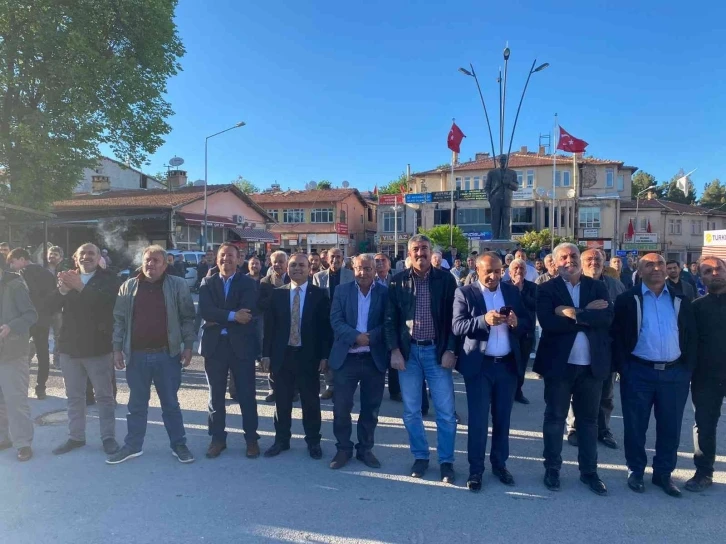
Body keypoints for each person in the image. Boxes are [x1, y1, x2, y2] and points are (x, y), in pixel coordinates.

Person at [612, 253, 696, 497]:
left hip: (674, 374)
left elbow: (691, 335)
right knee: (635, 426)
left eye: (660, 263)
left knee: (670, 427)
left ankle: (663, 474)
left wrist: (686, 369)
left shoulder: (681, 299)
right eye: (649, 265)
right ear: (639, 271)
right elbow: (617, 336)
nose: (657, 268)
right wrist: (624, 368)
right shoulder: (627, 299)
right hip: (639, 372)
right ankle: (635, 471)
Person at [534, 243, 613, 495]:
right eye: (564, 257)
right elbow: (549, 323)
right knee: (555, 419)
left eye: (574, 255)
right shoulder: (546, 289)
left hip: (591, 367)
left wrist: (571, 313)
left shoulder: (597, 286)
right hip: (559, 366)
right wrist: (587, 314)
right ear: (555, 262)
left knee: (589, 422)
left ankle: (589, 472)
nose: (570, 260)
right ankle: (552, 469)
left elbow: (606, 319)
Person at [107, 245, 197, 465]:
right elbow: (119, 320)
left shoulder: (178, 285)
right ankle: (133, 446)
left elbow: (187, 317)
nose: (151, 264)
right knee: (136, 405)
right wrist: (117, 348)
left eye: (156, 260)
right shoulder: (128, 286)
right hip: (137, 356)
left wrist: (188, 346)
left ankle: (179, 445)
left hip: (167, 355)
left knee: (170, 404)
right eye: (148, 259)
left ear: (165, 264)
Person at [384, 234, 458, 483]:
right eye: (415, 249)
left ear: (431, 252)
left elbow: (454, 320)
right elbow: (390, 319)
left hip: (437, 352)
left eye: (424, 248)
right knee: (411, 412)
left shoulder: (446, 280)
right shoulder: (398, 281)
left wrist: (451, 350)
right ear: (409, 253)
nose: (420, 253)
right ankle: (421, 456)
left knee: (445, 413)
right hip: (409, 354)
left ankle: (446, 461)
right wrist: (394, 350)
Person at [453, 253, 529, 492]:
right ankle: (476, 470)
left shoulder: (511, 291)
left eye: (498, 271)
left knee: (502, 419)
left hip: (506, 365)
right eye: (488, 271)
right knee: (478, 421)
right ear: (477, 269)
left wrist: (516, 323)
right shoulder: (465, 293)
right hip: (479, 366)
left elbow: (526, 323)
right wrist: (483, 320)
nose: (494, 276)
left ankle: (500, 464)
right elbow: (457, 326)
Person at [48, 243, 120, 456]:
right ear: (75, 258)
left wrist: (80, 287)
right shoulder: (68, 278)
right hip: (70, 348)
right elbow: (48, 307)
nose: (86, 256)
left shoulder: (109, 279)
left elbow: (107, 305)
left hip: (98, 347)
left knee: (104, 397)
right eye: (82, 253)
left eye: (91, 253)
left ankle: (108, 438)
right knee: (74, 396)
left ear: (99, 258)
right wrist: (62, 290)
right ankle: (76, 437)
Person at [261, 253, 331, 460]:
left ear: (309, 268)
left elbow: (325, 329)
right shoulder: (277, 294)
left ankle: (313, 441)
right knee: (282, 402)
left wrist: (324, 356)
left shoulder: (319, 295)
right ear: (287, 268)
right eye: (293, 265)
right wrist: (266, 355)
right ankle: (281, 440)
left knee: (311, 402)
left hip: (309, 356)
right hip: (282, 356)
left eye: (301, 265)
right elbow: (269, 328)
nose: (297, 268)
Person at [199, 244, 261, 459]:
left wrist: (219, 317)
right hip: (214, 347)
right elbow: (206, 311)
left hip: (241, 347)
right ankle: (217, 439)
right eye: (222, 255)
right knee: (215, 397)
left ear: (239, 259)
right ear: (217, 259)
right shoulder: (207, 282)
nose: (226, 259)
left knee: (246, 395)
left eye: (230, 255)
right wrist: (233, 316)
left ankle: (251, 439)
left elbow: (247, 312)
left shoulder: (248, 283)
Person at [328, 254, 388, 469]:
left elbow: (388, 321)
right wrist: (355, 336)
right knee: (341, 407)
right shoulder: (341, 291)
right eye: (359, 268)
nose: (363, 273)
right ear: (353, 269)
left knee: (371, 409)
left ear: (375, 270)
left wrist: (369, 337)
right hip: (347, 358)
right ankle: (343, 449)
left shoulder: (384, 293)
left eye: (368, 268)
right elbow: (335, 320)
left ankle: (365, 449)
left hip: (373, 358)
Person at [565, 249, 625, 450]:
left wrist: (584, 315)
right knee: (576, 392)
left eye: (597, 259)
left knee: (606, 393)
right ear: (581, 263)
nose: (594, 262)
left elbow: (616, 317)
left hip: (606, 347)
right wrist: (589, 313)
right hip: (579, 348)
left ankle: (603, 429)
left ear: (604, 261)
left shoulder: (615, 285)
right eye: (589, 259)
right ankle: (574, 428)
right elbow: (569, 316)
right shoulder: (573, 285)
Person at [686, 256, 726, 492]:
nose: (714, 273)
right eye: (708, 271)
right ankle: (703, 472)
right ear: (700, 277)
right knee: (704, 425)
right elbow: (689, 343)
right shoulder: (696, 308)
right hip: (706, 377)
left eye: (718, 269)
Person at [6, 248, 57, 399]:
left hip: (25, 319)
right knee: (43, 353)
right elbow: (53, 297)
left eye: (13, 262)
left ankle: (18, 387)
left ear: (22, 259)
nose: (12, 266)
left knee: (16, 353)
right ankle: (41, 388)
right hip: (43, 319)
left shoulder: (21, 275)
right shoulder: (47, 273)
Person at [0, 262, 37, 461]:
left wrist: (11, 326)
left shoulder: (15, 284)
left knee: (15, 401)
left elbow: (31, 314)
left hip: (12, 352)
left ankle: (23, 443)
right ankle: (3, 438)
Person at [313, 248, 354, 399]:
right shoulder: (318, 276)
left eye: (338, 257)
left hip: (345, 320)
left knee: (345, 353)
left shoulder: (351, 275)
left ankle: (344, 385)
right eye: (332, 257)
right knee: (327, 353)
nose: (335, 260)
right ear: (327, 259)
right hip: (326, 321)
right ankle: (330, 386)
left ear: (343, 259)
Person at [259, 251, 291, 403]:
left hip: (291, 323)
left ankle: (293, 390)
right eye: (275, 262)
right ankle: (273, 389)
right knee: (271, 357)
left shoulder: (294, 278)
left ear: (287, 263)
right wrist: (277, 295)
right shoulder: (265, 282)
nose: (278, 265)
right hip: (272, 324)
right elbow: (260, 303)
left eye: (281, 262)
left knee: (290, 357)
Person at [505, 258, 537, 405]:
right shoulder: (504, 286)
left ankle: (518, 391)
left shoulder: (532, 287)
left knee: (522, 364)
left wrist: (520, 292)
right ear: (510, 272)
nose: (519, 271)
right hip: (509, 331)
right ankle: (505, 392)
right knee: (508, 364)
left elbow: (534, 305)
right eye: (516, 268)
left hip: (526, 332)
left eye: (522, 268)